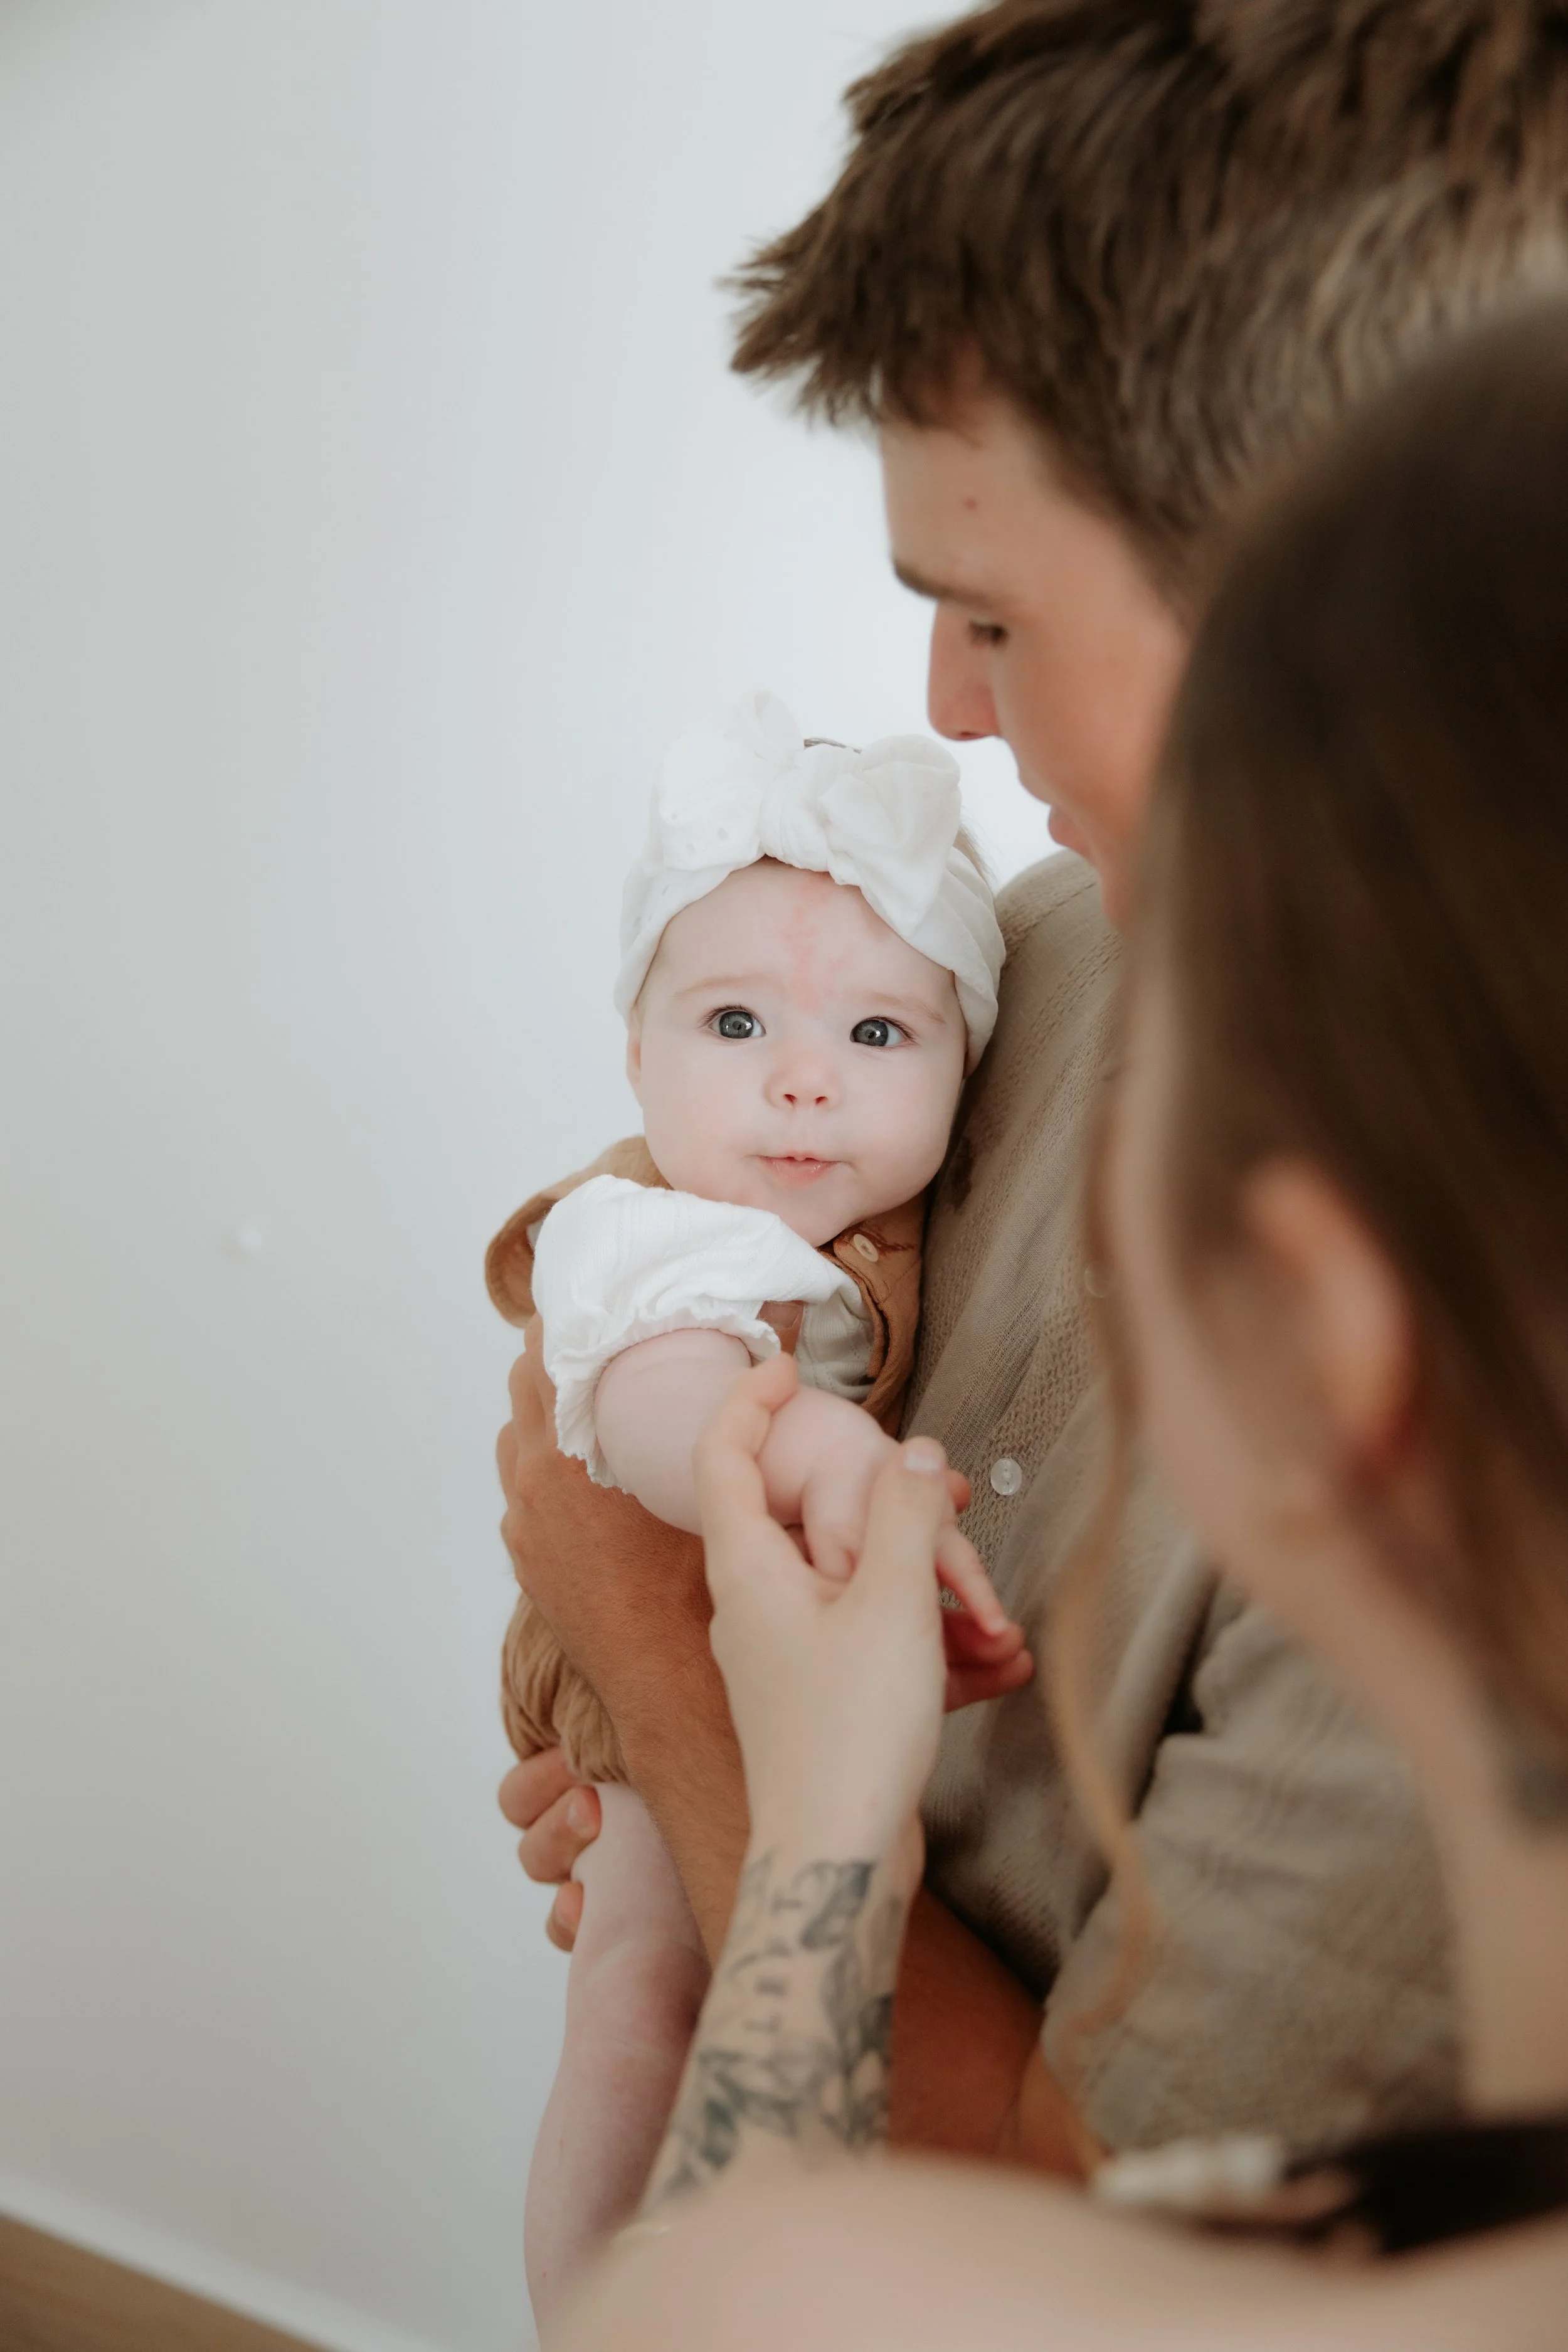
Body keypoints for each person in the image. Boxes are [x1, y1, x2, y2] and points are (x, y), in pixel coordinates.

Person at [499, 0, 1568, 2171]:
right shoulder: (1051, 943)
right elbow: (671, 1259)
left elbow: (1105, 2243)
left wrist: (653, 1639)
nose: (941, 709)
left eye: (986, 611)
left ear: (1322, 585)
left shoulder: (1499, 1377)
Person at [494, 691, 1027, 2315]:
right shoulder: (641, 1228)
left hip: (786, 1659)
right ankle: (595, 2315)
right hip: (655, 1642)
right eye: (734, 1027)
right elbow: (659, 1407)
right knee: (650, 1994)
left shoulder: (891, 1223)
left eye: (876, 1035)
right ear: (636, 1050)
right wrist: (827, 1462)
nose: (803, 1084)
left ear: (966, 1069)